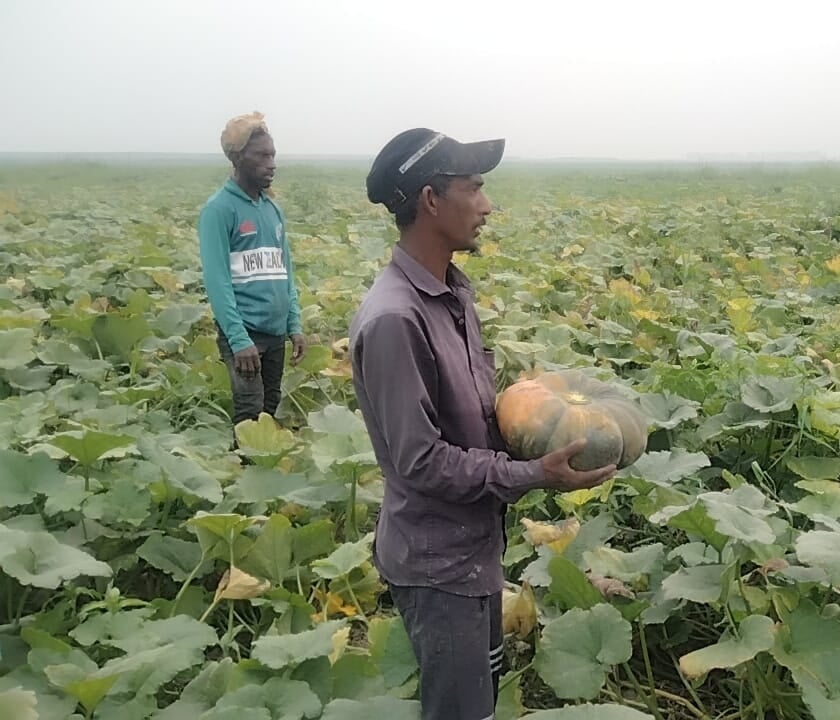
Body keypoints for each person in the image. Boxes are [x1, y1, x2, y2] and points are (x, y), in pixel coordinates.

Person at [349, 127, 615, 720]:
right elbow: (421, 461)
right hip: (437, 565)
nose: (488, 206)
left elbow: (465, 419)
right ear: (431, 199)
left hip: (473, 550)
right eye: (476, 188)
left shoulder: (451, 293)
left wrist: (536, 406)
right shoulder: (396, 318)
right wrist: (530, 473)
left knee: (479, 700)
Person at [197, 111, 306, 434]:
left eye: (272, 155)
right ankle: (241, 477)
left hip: (275, 331)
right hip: (244, 333)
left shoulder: (272, 210)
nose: (271, 163)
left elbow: (284, 271)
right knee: (249, 413)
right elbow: (217, 282)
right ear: (237, 157)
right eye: (261, 155)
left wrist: (294, 323)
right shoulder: (219, 210)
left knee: (270, 408)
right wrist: (238, 339)